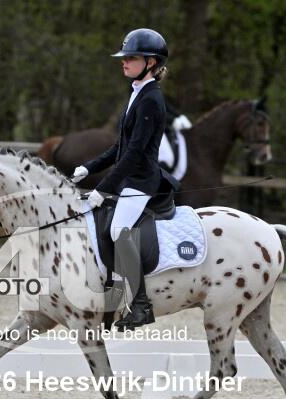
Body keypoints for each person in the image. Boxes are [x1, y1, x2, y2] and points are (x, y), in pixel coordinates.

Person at [71, 28, 179, 329]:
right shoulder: (137, 93)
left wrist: (102, 188)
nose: (124, 62)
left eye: (131, 58)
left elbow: (133, 154)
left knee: (119, 230)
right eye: (125, 57)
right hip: (128, 178)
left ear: (151, 63)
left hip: (141, 181)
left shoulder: (151, 99)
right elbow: (120, 147)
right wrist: (89, 168)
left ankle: (141, 305)